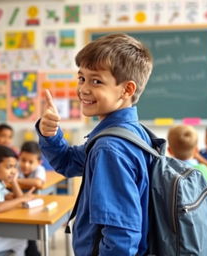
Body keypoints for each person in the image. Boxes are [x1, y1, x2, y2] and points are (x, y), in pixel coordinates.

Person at [36, 33, 153, 255]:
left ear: (127, 89)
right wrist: (50, 133)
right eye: (82, 78)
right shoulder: (129, 132)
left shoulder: (110, 147)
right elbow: (67, 162)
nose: (84, 89)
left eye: (96, 81)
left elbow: (122, 235)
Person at [0, 145, 35, 255]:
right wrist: (23, 198)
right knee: (22, 240)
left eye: (15, 167)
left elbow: (14, 198)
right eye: (9, 167)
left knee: (25, 235)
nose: (14, 171)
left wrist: (14, 181)